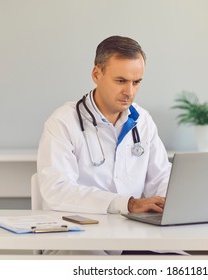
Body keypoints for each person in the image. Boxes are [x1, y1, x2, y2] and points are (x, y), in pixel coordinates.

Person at [37, 35, 171, 217]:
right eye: (121, 81)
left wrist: (172, 203)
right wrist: (127, 204)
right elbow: (58, 191)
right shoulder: (63, 121)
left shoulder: (143, 120)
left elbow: (162, 178)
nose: (129, 92)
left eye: (136, 82)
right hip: (79, 235)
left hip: (132, 232)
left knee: (175, 248)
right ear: (96, 74)